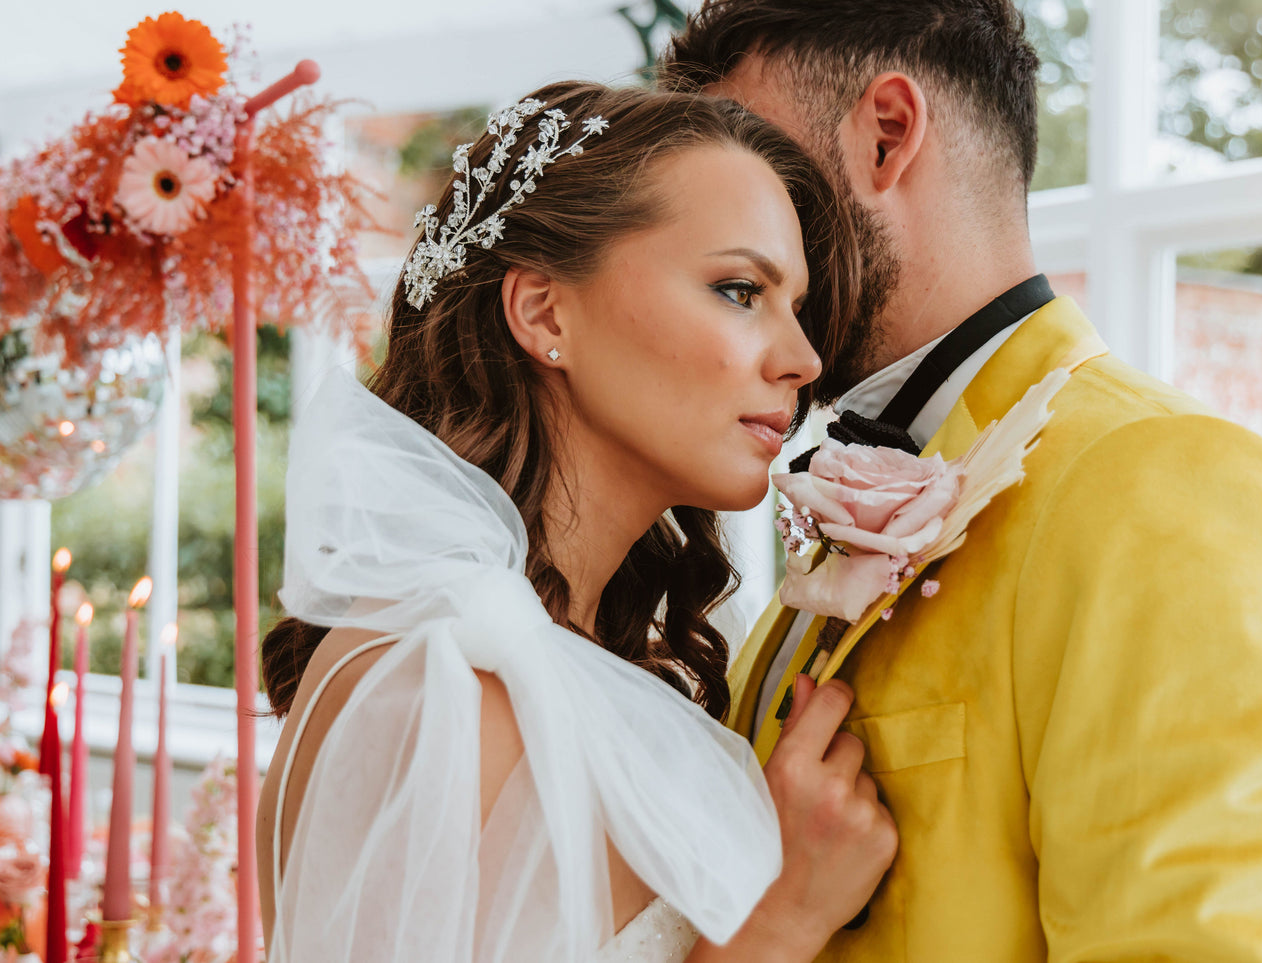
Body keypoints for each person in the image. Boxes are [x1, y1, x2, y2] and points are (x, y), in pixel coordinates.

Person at [661, 2, 1262, 959]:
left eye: (758, 169)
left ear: (887, 135)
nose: (726, 222)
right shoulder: (839, 503)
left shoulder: (1164, 486)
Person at [256, 81, 897, 963]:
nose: (801, 359)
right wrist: (775, 926)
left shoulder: (581, 656)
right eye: (740, 289)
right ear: (544, 311)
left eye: (797, 306)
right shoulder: (442, 683)